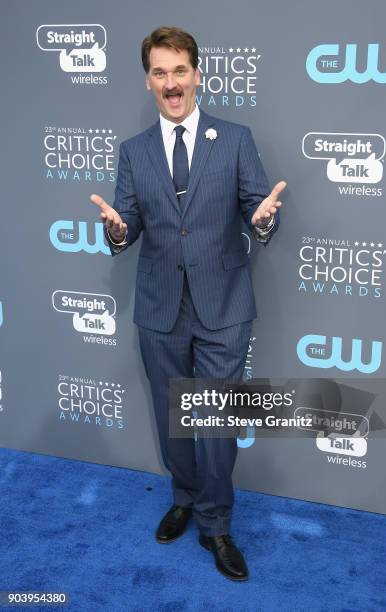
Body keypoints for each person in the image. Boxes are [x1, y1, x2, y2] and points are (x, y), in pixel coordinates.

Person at [90, 26, 286, 581]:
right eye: (159, 72)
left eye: (179, 70)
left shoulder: (237, 138)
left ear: (197, 74)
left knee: (218, 421)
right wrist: (118, 229)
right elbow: (126, 224)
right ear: (147, 80)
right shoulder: (134, 152)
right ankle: (183, 494)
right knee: (172, 418)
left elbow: (257, 205)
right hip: (159, 306)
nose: (171, 83)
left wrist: (263, 218)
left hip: (224, 304)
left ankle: (216, 523)